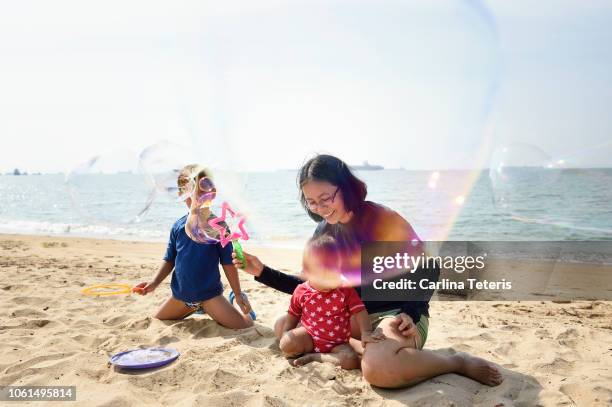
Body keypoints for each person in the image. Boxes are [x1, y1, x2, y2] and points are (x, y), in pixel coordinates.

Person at [234, 154, 502, 388]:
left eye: (325, 198)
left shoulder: (382, 219)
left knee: (378, 370)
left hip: (397, 314)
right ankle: (359, 350)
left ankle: (455, 362)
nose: (320, 208)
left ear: (346, 188)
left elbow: (428, 268)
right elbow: (314, 285)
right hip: (350, 318)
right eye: (312, 202)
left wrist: (412, 310)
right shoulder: (324, 231)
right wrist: (262, 271)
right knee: (284, 327)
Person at [134, 164, 253, 329]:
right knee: (158, 319)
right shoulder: (178, 227)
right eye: (190, 192)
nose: (196, 198)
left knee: (244, 325)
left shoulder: (218, 227)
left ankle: (233, 302)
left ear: (213, 193)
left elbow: (227, 263)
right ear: (181, 195)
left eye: (201, 192)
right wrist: (154, 283)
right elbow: (169, 260)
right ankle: (196, 309)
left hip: (210, 297)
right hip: (182, 297)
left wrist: (238, 294)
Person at [279, 235, 385, 369]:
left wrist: (366, 333)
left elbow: (360, 311)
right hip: (309, 337)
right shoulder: (302, 291)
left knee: (350, 360)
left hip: (338, 344)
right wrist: (286, 331)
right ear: (307, 271)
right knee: (287, 343)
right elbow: (293, 313)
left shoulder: (344, 290)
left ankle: (317, 357)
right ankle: (308, 350)